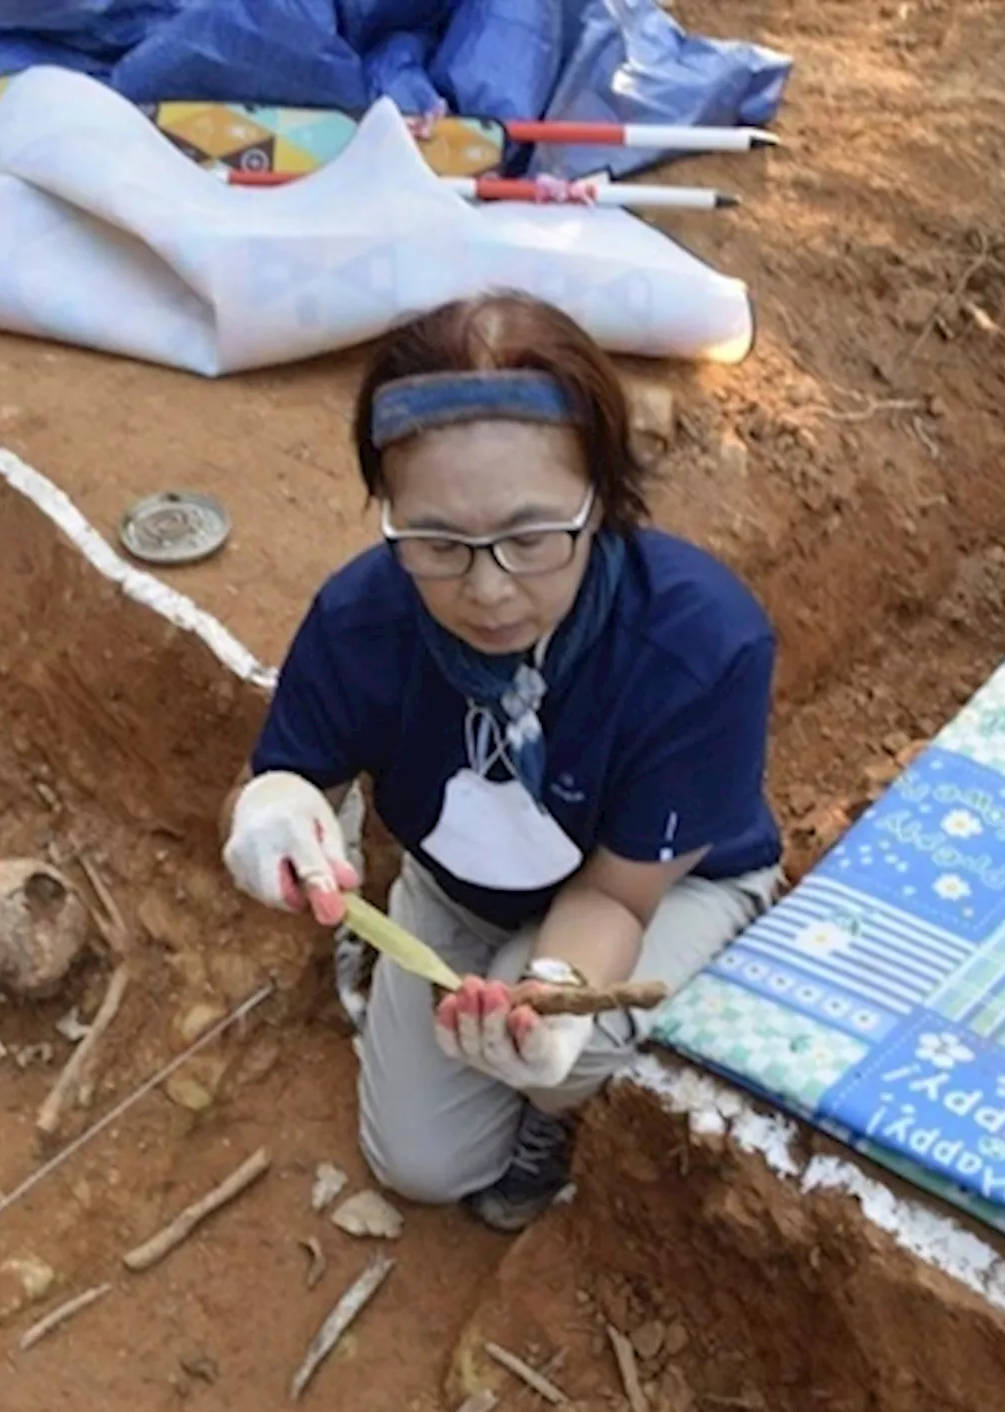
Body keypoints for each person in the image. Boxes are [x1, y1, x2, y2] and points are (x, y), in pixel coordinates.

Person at [222, 292, 783, 1232]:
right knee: (421, 1165)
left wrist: (556, 1003)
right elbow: (285, 774)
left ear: (600, 498)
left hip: (663, 886)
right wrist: (268, 810)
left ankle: (559, 1112)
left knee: (576, 1052)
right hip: (459, 891)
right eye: (437, 542)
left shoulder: (700, 646)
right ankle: (446, 986)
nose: (487, 590)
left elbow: (616, 901)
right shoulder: (363, 620)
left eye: (531, 538)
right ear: (388, 510)